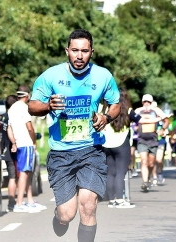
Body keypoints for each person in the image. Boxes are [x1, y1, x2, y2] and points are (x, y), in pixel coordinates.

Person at [28, 29, 120, 241]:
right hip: (61, 153)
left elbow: (115, 104)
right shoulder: (50, 76)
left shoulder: (103, 75)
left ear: (92, 52)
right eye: (75, 50)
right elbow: (32, 106)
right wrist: (48, 105)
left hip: (91, 150)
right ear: (67, 51)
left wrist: (106, 117)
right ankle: (59, 216)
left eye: (84, 51)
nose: (79, 56)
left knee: (88, 205)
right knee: (67, 213)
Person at [7, 85, 47, 213]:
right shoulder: (25, 108)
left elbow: (9, 129)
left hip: (19, 143)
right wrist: (34, 141)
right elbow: (30, 127)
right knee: (24, 173)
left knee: (27, 173)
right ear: (27, 95)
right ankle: (19, 203)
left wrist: (14, 142)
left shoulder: (12, 109)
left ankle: (29, 201)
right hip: (26, 143)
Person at [101, 88, 140, 208]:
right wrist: (160, 118)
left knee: (110, 173)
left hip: (106, 145)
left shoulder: (105, 110)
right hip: (121, 144)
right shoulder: (128, 111)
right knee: (120, 173)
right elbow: (141, 120)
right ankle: (119, 199)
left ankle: (112, 200)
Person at [135, 94, 169, 192]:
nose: (146, 103)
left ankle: (148, 177)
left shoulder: (156, 110)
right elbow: (131, 120)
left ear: (151, 102)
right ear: (142, 102)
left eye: (148, 102)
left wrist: (162, 129)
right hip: (142, 140)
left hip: (153, 140)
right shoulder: (138, 111)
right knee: (144, 161)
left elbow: (166, 120)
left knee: (151, 164)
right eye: (144, 101)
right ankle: (145, 182)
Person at [0, 95, 18, 211]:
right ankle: (12, 202)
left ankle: (12, 202)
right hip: (12, 151)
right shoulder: (13, 117)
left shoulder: (3, 118)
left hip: (4, 150)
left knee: (10, 177)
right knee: (13, 177)